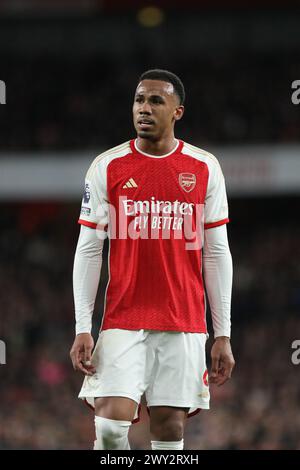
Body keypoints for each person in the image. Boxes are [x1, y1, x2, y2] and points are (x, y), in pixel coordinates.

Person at [70, 69, 235, 450]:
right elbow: (89, 249)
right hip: (123, 318)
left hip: (183, 319)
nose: (144, 108)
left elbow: (217, 252)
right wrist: (83, 325)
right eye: (139, 100)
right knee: (110, 428)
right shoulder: (107, 166)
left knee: (170, 433)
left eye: (156, 101)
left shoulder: (204, 167)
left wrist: (222, 333)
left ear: (178, 111)